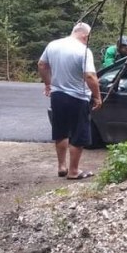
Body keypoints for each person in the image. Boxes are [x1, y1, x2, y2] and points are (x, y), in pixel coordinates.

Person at [37, 22, 103, 180]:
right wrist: (97, 96)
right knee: (79, 134)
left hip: (58, 95)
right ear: (84, 35)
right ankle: (74, 171)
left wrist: (48, 83)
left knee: (61, 131)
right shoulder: (83, 51)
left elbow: (41, 64)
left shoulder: (53, 45)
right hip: (78, 97)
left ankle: (61, 166)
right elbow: (90, 76)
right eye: (88, 38)